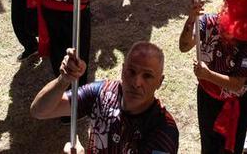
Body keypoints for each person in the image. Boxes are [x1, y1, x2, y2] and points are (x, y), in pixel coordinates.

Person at [30, 42, 179, 153]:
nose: (136, 82)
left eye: (147, 76)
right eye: (131, 71)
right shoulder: (101, 93)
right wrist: (63, 80)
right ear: (122, 71)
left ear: (160, 81)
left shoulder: (164, 131)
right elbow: (39, 110)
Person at [179, 1, 247, 154]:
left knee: (231, 149)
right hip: (207, 97)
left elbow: (237, 84)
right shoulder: (209, 22)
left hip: (235, 105)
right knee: (208, 145)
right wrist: (191, 19)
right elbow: (184, 46)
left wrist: (208, 75)